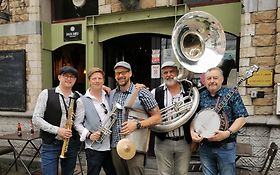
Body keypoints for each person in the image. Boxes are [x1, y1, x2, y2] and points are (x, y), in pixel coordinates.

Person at [190, 67, 248, 175]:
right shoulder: (200, 96)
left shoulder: (232, 93)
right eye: (209, 78)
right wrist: (192, 132)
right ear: (205, 81)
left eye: (215, 78)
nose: (212, 81)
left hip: (226, 145)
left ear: (222, 79)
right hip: (205, 146)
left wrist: (227, 133)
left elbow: (242, 118)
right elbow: (194, 118)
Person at [110, 61, 161, 175]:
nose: (120, 76)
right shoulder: (112, 94)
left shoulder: (142, 92)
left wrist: (137, 124)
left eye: (123, 72)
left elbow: (157, 117)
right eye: (117, 73)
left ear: (130, 73)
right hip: (116, 146)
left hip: (135, 146)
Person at [32, 66, 81, 175]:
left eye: (72, 77)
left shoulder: (78, 97)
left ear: (75, 80)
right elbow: (36, 119)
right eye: (66, 76)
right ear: (59, 77)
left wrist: (104, 88)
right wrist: (57, 130)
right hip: (50, 143)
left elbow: (93, 93)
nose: (69, 79)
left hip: (70, 144)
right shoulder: (46, 93)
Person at [151, 61, 193, 175]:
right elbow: (147, 114)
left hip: (184, 141)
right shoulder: (155, 92)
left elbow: (194, 116)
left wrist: (194, 139)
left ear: (177, 73)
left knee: (182, 173)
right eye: (165, 72)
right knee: (164, 173)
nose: (169, 75)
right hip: (163, 141)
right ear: (162, 75)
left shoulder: (189, 91)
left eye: (171, 71)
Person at [74, 67, 116, 175]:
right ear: (89, 81)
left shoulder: (109, 95)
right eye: (94, 78)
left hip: (111, 146)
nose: (97, 81)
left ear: (103, 80)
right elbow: (77, 124)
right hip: (93, 148)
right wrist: (89, 135)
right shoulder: (81, 101)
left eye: (99, 78)